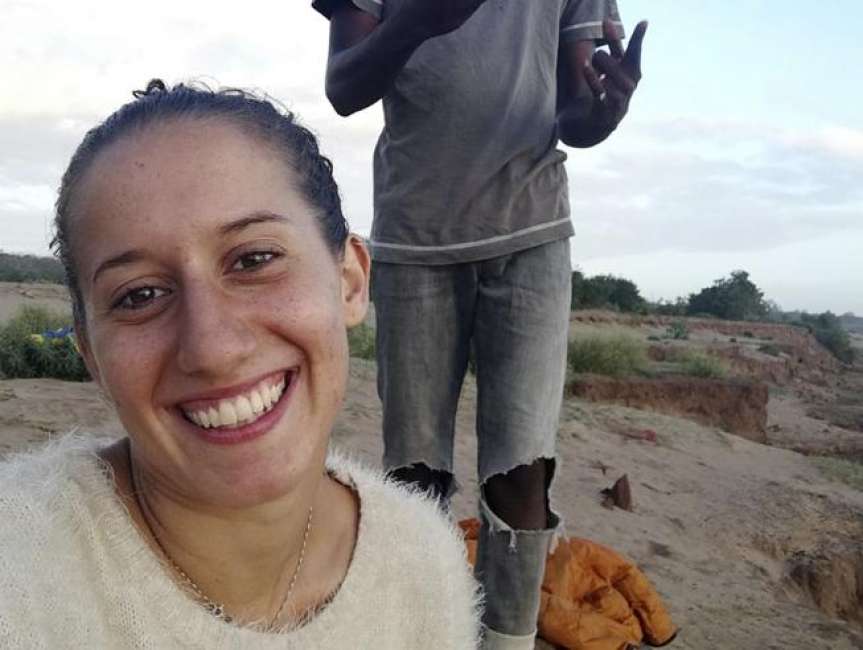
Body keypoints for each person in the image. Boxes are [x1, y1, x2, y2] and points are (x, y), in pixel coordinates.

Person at [0, 80, 480, 649]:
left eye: (254, 260)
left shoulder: (425, 563)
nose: (212, 348)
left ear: (350, 281)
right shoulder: (19, 575)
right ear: (91, 354)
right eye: (139, 295)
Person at [312, 1, 646, 647]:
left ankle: (506, 639)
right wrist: (419, 20)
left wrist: (606, 111)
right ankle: (424, 631)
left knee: (521, 470)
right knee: (414, 475)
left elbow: (575, 116)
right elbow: (344, 87)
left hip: (531, 230)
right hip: (414, 239)